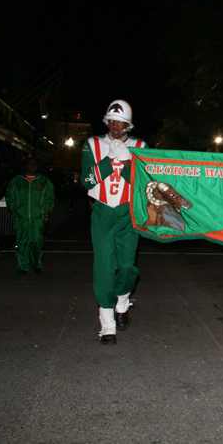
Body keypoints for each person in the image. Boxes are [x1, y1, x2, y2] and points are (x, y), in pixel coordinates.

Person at [81, 100, 148, 346]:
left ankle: (122, 301)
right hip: (102, 213)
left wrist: (129, 162)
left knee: (128, 266)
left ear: (128, 124)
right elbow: (86, 181)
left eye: (120, 122)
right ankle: (107, 326)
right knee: (103, 268)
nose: (116, 126)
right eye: (112, 121)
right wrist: (109, 161)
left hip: (129, 212)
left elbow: (145, 183)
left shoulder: (140, 145)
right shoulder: (92, 144)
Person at [5, 157, 55, 274]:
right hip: (21, 218)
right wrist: (15, 210)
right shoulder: (16, 181)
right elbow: (9, 197)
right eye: (31, 164)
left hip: (38, 218)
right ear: (25, 166)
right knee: (22, 241)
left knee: (37, 241)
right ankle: (23, 265)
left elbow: (51, 198)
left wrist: (44, 211)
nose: (33, 166)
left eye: (35, 164)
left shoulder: (44, 181)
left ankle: (37, 264)